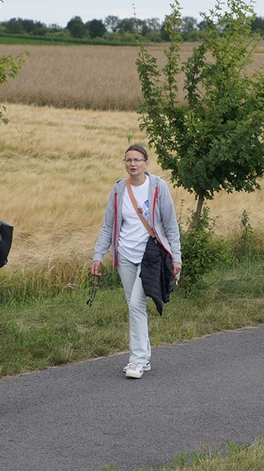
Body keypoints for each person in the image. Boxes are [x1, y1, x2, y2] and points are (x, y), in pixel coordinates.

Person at [91, 144, 182, 379]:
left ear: (146, 163)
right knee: (133, 305)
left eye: (137, 160)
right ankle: (145, 356)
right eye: (128, 160)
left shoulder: (158, 188)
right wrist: (98, 256)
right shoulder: (119, 189)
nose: (133, 164)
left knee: (136, 305)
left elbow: (171, 226)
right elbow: (108, 225)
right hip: (125, 257)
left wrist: (176, 257)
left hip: (150, 257)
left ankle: (137, 360)